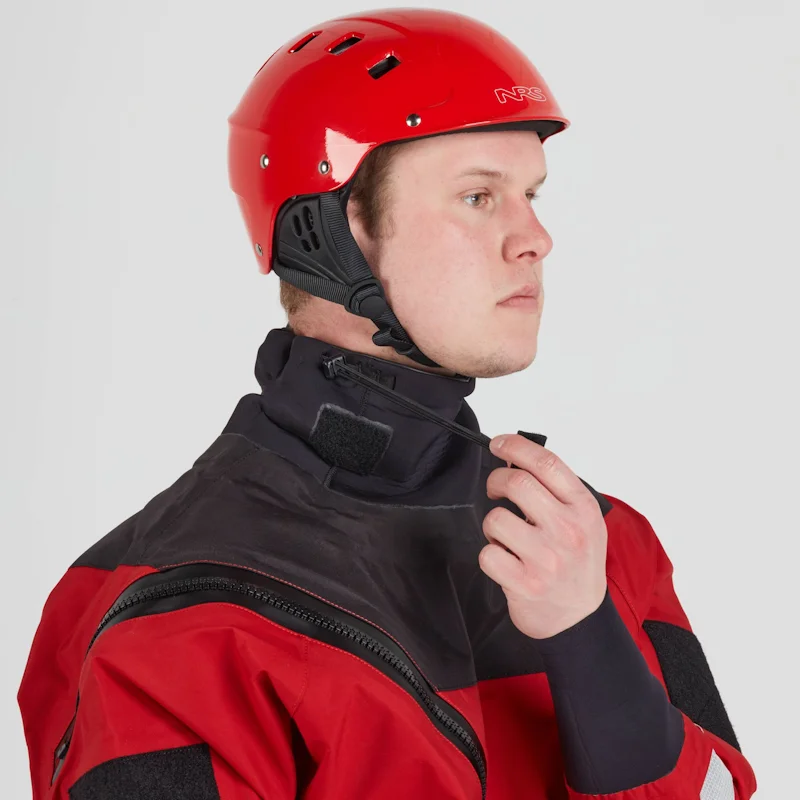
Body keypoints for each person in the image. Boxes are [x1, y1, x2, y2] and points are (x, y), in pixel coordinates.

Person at [18, 8, 757, 799]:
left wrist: (587, 637)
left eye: (532, 194)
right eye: (479, 197)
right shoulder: (184, 615)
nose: (536, 237)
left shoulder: (596, 546)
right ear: (327, 234)